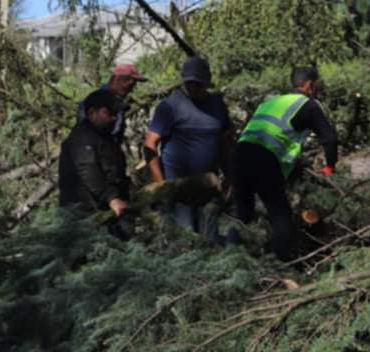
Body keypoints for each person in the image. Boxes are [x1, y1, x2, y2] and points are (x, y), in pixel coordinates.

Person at [234, 66, 339, 261]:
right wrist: (330, 168)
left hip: (239, 154)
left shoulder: (272, 102)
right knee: (281, 217)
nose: (317, 89)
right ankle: (279, 266)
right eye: (317, 85)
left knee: (243, 214)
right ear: (309, 85)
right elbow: (330, 139)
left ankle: (231, 257)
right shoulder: (308, 104)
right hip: (264, 158)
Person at [144, 56, 233, 238]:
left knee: (211, 238)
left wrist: (230, 176)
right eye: (189, 83)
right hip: (178, 189)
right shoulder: (170, 106)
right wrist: (160, 183)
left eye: (197, 83)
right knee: (185, 240)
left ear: (208, 81)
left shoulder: (217, 105)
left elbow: (225, 142)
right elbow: (150, 143)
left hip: (208, 186)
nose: (192, 87)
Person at [59, 89, 132, 238]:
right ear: (92, 112)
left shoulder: (105, 137)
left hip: (108, 211)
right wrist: (112, 199)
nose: (113, 118)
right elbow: (88, 171)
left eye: (115, 114)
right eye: (109, 113)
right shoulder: (81, 138)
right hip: (86, 215)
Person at [75, 63, 147, 145]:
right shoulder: (97, 101)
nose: (131, 90)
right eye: (131, 85)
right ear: (117, 80)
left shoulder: (115, 102)